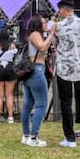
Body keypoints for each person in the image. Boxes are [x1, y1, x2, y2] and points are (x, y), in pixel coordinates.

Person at [52, 0, 80, 147]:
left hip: (64, 68)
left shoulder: (58, 26)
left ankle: (70, 139)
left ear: (63, 10)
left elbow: (54, 45)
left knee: (66, 103)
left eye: (59, 10)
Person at [20, 15, 55, 146]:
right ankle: (34, 137)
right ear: (38, 24)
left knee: (28, 104)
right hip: (37, 71)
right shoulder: (35, 34)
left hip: (31, 72)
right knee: (41, 104)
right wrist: (51, 35)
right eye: (44, 22)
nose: (46, 24)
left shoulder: (31, 35)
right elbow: (42, 48)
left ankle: (26, 134)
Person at [0, 29, 18, 123]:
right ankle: (10, 117)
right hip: (10, 68)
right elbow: (16, 55)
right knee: (9, 95)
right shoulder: (12, 46)